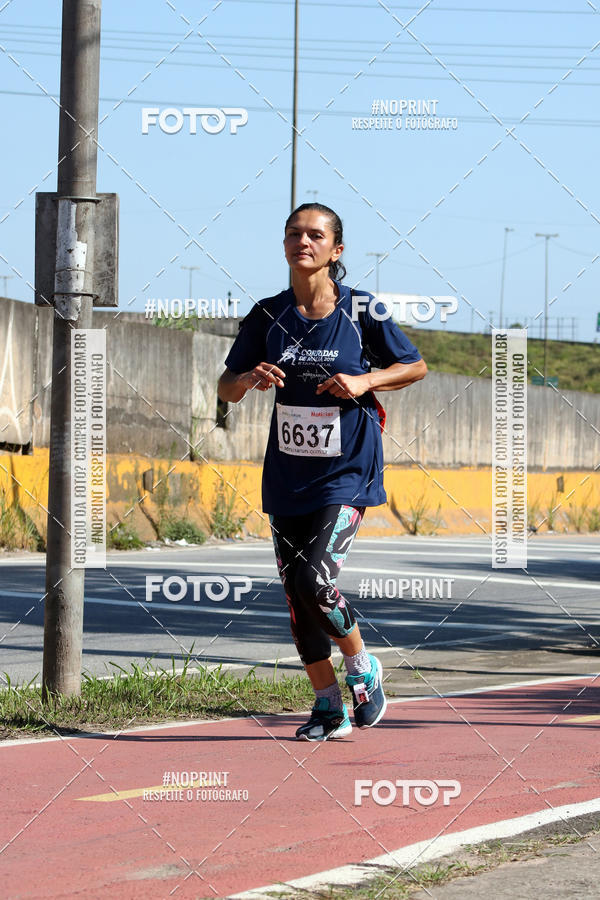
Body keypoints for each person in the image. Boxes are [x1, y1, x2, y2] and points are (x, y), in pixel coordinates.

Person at [217, 203, 427, 741]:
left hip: (347, 470)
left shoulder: (361, 310)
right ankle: (328, 707)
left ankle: (362, 666)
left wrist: (365, 381)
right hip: (288, 474)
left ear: (336, 250)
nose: (302, 242)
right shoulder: (268, 315)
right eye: (294, 233)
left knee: (316, 579)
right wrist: (249, 379)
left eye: (315, 235)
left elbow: (415, 365)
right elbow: (226, 386)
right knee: (296, 593)